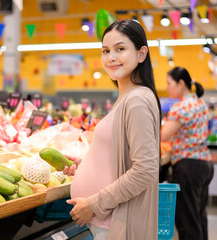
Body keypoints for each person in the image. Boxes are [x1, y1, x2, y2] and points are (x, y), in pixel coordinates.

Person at [63, 19, 162, 240]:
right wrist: (84, 166)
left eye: (120, 49)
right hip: (106, 221)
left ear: (141, 54)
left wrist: (94, 203)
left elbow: (145, 170)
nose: (111, 58)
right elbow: (121, 158)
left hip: (116, 223)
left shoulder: (136, 100)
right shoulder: (126, 97)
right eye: (106, 51)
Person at [161, 67, 214, 240]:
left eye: (169, 83)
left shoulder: (181, 106)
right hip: (205, 163)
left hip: (188, 165)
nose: (167, 88)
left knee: (187, 221)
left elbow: (163, 135)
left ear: (181, 83)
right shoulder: (200, 103)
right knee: (198, 216)